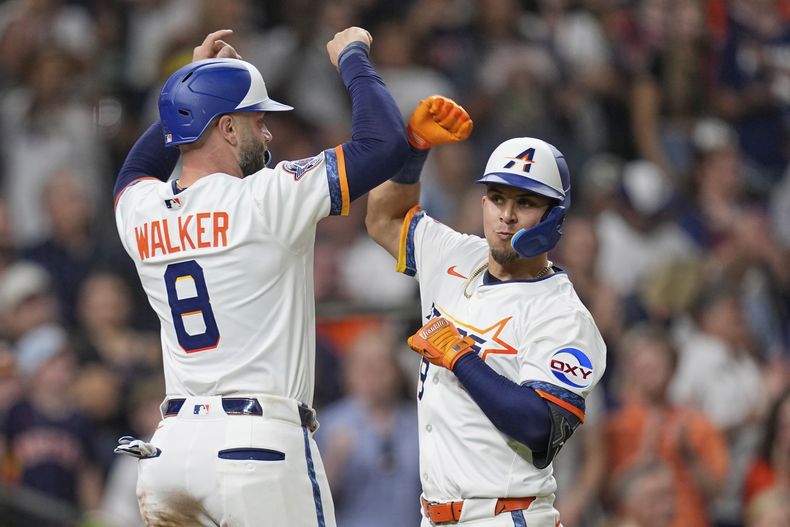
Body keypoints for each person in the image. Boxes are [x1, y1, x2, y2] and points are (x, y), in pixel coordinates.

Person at [111, 28, 408, 526]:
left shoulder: (141, 210)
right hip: (258, 448)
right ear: (227, 129)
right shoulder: (267, 198)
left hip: (171, 452)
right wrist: (353, 58)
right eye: (257, 120)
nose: (267, 133)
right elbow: (385, 142)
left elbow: (135, 169)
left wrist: (187, 81)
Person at [365, 95, 607, 526]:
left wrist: (461, 358)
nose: (507, 216)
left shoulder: (563, 314)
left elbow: (541, 427)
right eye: (497, 198)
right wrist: (415, 147)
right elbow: (383, 218)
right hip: (434, 514)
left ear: (555, 217)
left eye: (526, 203)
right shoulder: (456, 254)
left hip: (506, 514)